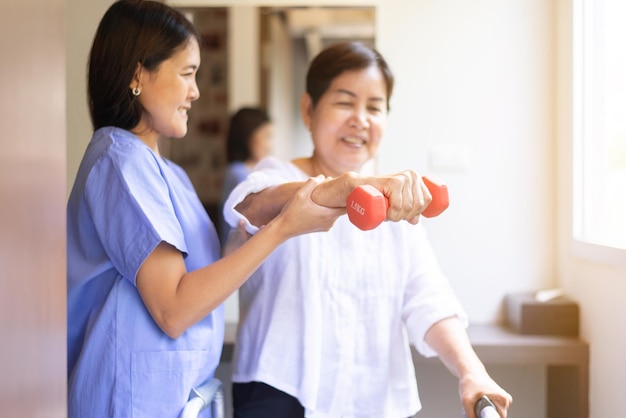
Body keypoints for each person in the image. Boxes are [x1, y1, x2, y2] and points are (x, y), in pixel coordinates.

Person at [66, 1, 342, 417]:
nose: (195, 91)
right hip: (130, 401)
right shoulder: (119, 162)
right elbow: (174, 309)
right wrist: (282, 228)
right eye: (187, 73)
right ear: (138, 74)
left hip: (175, 399)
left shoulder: (168, 172)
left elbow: (199, 281)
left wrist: (247, 235)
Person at [223, 41, 513, 418]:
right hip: (278, 392)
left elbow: (427, 297)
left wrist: (472, 372)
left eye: (374, 107)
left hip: (373, 400)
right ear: (309, 110)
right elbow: (248, 207)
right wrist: (346, 188)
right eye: (344, 102)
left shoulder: (396, 205)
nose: (360, 118)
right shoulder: (275, 176)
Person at [218, 107, 273, 245]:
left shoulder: (244, 171)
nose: (269, 145)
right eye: (266, 136)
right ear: (248, 136)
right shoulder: (238, 173)